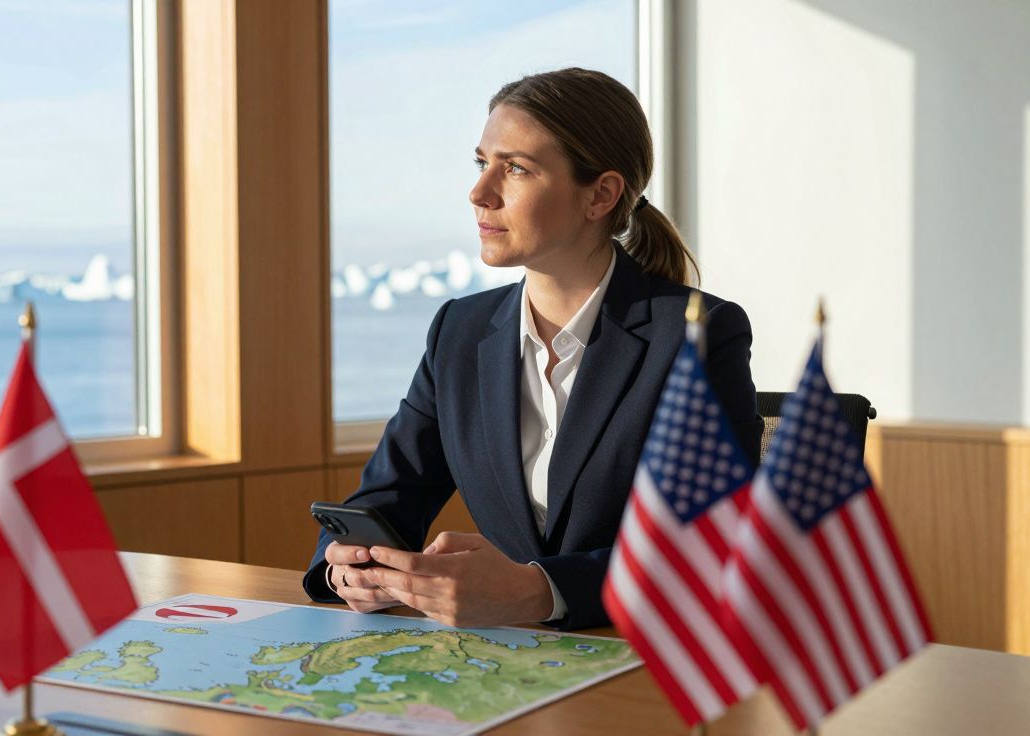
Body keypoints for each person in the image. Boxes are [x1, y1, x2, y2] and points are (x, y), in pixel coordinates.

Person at [303, 67, 762, 631]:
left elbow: (710, 547)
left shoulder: (697, 333)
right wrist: (347, 568)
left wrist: (539, 592)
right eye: (481, 163)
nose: (479, 193)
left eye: (516, 168)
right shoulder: (459, 332)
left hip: (647, 650)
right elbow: (385, 499)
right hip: (506, 659)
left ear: (601, 195)